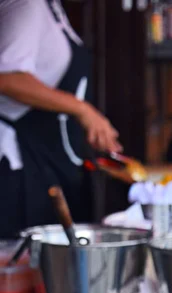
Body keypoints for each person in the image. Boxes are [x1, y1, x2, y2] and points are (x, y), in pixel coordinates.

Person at [0, 0, 121, 237]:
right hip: (23, 168)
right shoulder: (28, 5)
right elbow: (8, 77)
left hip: (49, 160)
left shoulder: (48, 7)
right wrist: (83, 110)